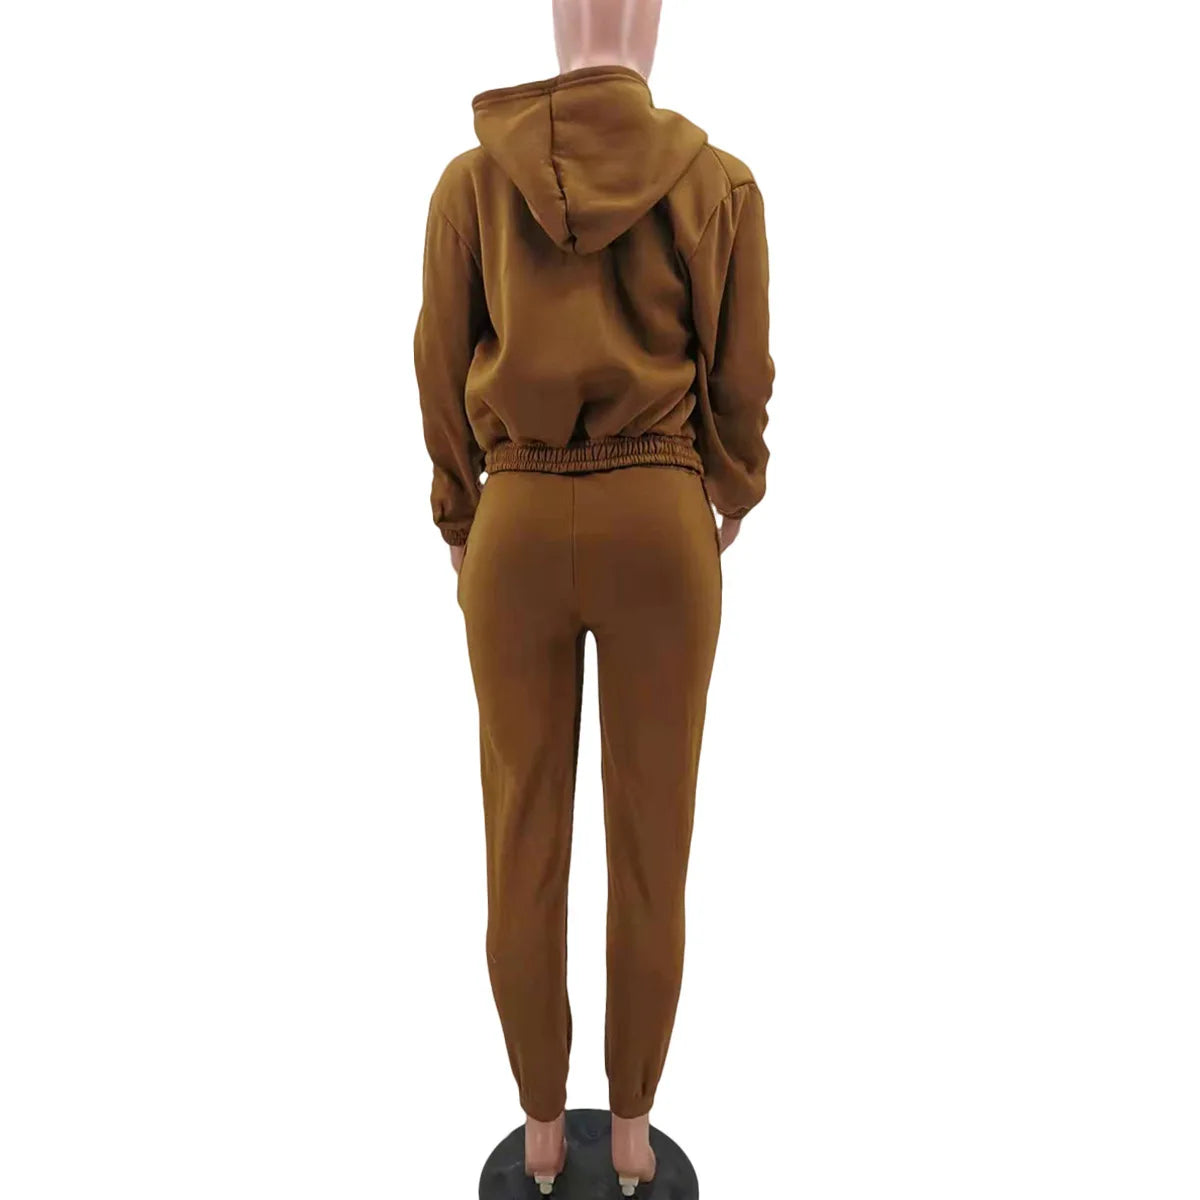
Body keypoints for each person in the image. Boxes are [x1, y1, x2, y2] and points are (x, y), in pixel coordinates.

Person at [413, 0, 773, 1191]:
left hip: (516, 520)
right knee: (652, 844)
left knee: (520, 836)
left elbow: (436, 364)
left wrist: (462, 514)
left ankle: (535, 1133)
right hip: (661, 521)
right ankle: (628, 1135)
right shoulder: (719, 185)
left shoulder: (470, 186)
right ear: (649, 21)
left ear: (557, 16)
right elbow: (742, 373)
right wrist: (728, 488)